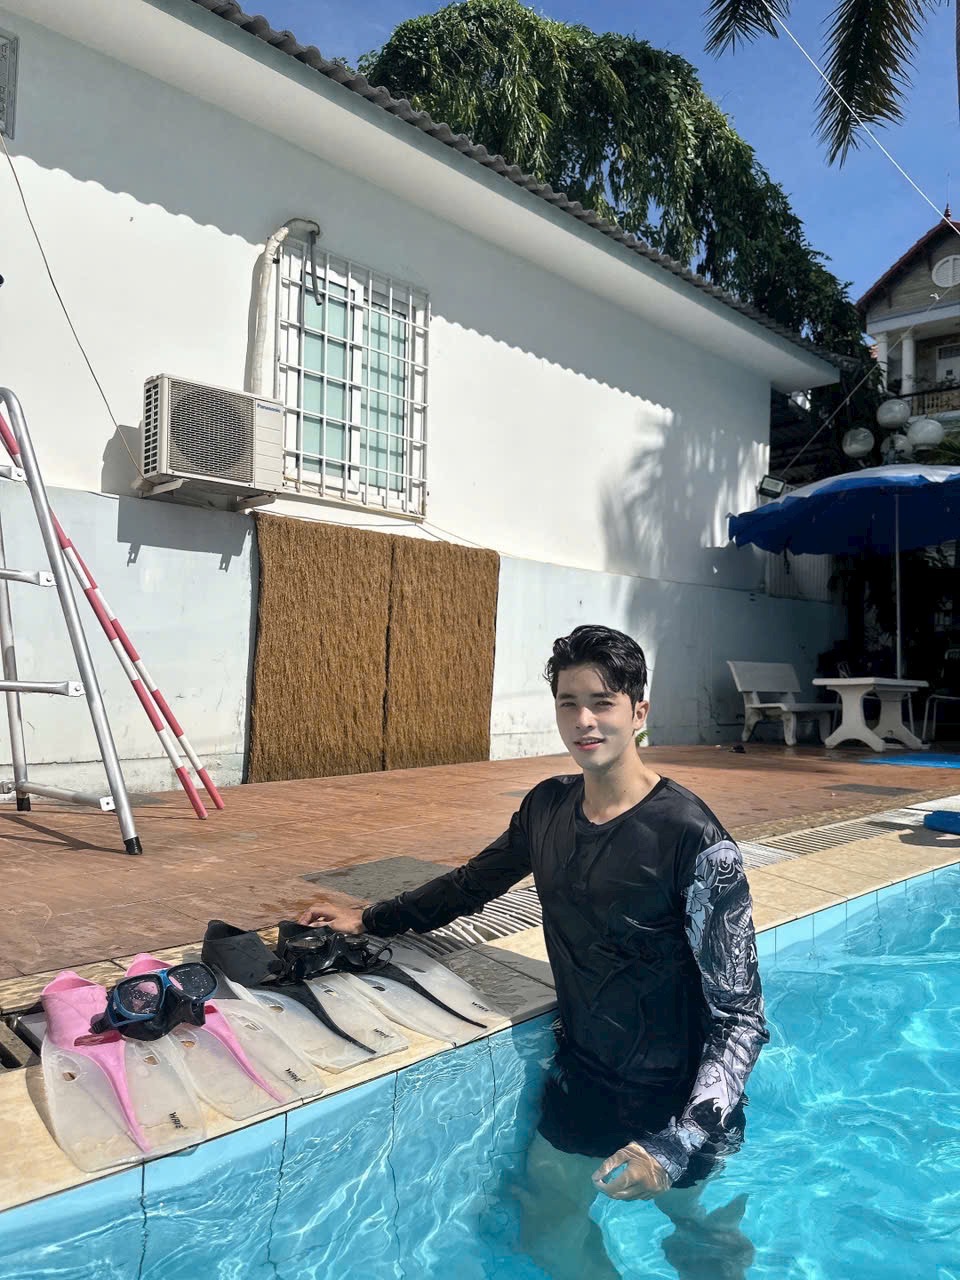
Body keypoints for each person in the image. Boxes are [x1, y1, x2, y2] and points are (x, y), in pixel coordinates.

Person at [298, 625, 767, 1277]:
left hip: (676, 1093)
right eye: (568, 703)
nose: (584, 720)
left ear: (639, 712)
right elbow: (471, 884)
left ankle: (715, 1241)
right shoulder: (548, 807)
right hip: (587, 1074)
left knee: (684, 1217)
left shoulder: (694, 841)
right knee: (545, 1222)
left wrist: (677, 1142)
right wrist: (370, 917)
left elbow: (740, 1018)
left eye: (602, 702)